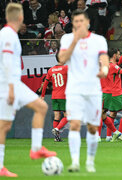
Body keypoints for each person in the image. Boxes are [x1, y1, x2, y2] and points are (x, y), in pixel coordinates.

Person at [0, 3, 56, 177]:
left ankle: (36, 149)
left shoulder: (8, 34)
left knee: (40, 107)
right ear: (20, 17)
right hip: (9, 84)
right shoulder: (8, 35)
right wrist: (10, 88)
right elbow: (8, 61)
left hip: (13, 84)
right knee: (3, 126)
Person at [58, 9, 109, 173]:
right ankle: (74, 162)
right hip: (74, 90)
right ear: (73, 24)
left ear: (87, 22)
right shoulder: (67, 39)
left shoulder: (99, 40)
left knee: (93, 128)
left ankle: (90, 161)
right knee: (74, 124)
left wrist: (105, 69)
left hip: (93, 89)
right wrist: (75, 40)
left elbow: (103, 57)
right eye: (76, 22)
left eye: (81, 21)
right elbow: (62, 59)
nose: (79, 24)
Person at [99, 45, 122, 142]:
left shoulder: (105, 65)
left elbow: (117, 64)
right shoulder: (112, 66)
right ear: (114, 55)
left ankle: (110, 135)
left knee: (106, 114)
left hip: (105, 92)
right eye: (118, 54)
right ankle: (116, 133)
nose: (119, 56)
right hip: (112, 92)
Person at [41, 53, 68, 142]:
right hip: (63, 96)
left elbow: (45, 83)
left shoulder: (51, 70)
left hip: (54, 96)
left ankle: (56, 138)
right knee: (68, 116)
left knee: (57, 116)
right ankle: (57, 129)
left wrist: (42, 96)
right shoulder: (66, 68)